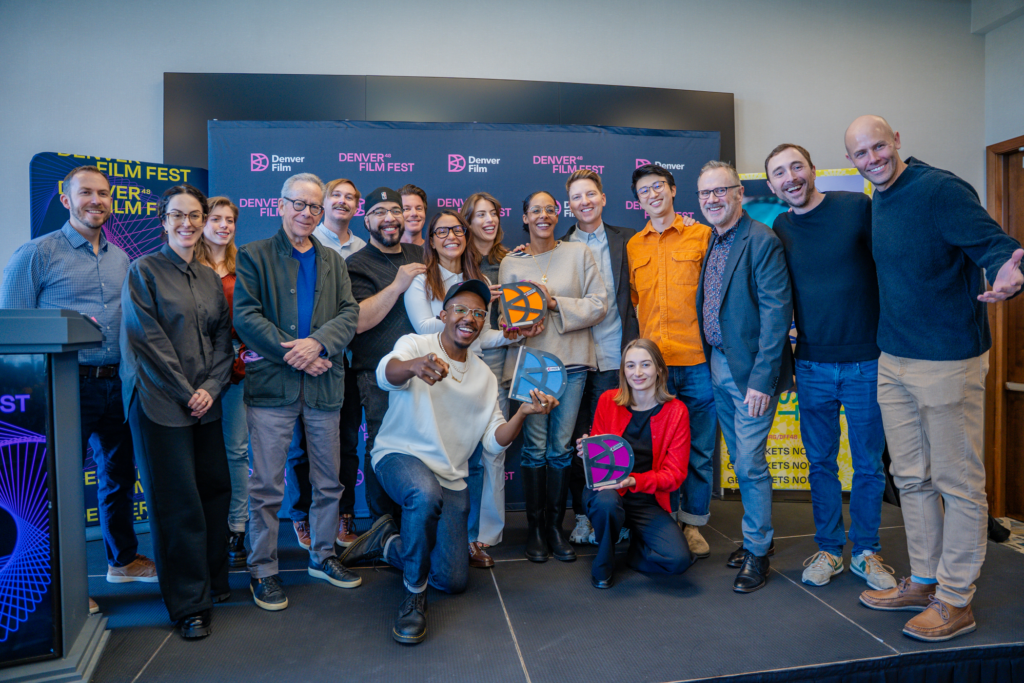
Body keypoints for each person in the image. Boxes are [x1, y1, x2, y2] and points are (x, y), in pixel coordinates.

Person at [845, 115, 1023, 641]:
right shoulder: (879, 199)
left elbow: (995, 245)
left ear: (896, 140)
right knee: (912, 478)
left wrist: (1010, 273)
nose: (873, 158)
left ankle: (955, 600)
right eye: (861, 153)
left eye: (879, 147)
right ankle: (924, 580)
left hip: (948, 361)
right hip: (893, 359)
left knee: (958, 483)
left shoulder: (939, 189)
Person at [339, 280, 559, 644]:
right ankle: (413, 596)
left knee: (453, 581)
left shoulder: (485, 377)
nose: (469, 318)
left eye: (478, 313)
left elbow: (493, 441)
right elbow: (385, 373)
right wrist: (413, 367)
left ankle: (387, 543)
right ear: (443, 314)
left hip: (450, 479)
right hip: (399, 455)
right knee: (423, 495)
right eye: (461, 309)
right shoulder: (417, 345)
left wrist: (523, 413)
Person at [0, 165, 157, 617]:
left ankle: (122, 560)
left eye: (104, 194)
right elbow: (13, 332)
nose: (96, 200)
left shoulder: (120, 257)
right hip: (62, 386)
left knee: (118, 478)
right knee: (57, 488)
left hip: (116, 384)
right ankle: (61, 586)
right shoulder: (35, 254)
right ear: (66, 199)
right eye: (85, 192)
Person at [764, 144, 895, 592]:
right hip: (813, 366)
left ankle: (865, 551)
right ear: (771, 185)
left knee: (868, 465)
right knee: (820, 464)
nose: (790, 177)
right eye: (779, 172)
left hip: (866, 362)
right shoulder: (780, 226)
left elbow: (892, 262)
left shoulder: (857, 206)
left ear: (812, 170)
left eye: (795, 166)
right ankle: (828, 549)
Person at [233, 173, 361, 612]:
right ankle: (263, 570)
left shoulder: (334, 261)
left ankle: (323, 556)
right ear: (280, 206)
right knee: (266, 486)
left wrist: (319, 345)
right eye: (298, 205)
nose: (306, 213)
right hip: (273, 388)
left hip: (325, 386)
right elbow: (246, 317)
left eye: (314, 207)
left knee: (329, 481)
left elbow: (349, 313)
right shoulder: (252, 256)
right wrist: (299, 353)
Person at [120, 184, 233, 639]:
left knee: (213, 492)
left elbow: (224, 341)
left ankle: (213, 584)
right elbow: (147, 341)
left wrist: (210, 388)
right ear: (163, 221)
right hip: (160, 404)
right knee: (177, 505)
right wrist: (189, 390)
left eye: (194, 216)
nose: (187, 224)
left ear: (205, 220)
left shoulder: (208, 277)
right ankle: (188, 606)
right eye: (177, 216)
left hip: (205, 404)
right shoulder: (142, 271)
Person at [404, 210, 524, 568]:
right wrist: (464, 316)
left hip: (474, 374)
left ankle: (474, 538)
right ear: (431, 239)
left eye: (457, 230)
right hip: (435, 378)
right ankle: (437, 534)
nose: (451, 236)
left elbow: (480, 333)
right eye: (442, 231)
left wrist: (510, 335)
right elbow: (426, 324)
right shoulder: (420, 278)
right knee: (443, 457)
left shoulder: (478, 278)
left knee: (482, 459)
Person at [695, 160, 793, 594]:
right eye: (705, 194)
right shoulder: (714, 241)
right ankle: (760, 538)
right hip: (718, 365)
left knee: (750, 463)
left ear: (738, 194)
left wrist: (761, 380)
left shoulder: (761, 240)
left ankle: (757, 550)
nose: (712, 200)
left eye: (720, 191)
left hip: (751, 374)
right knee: (740, 459)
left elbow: (776, 316)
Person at [499, 190, 608, 563]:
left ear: (557, 214)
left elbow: (599, 304)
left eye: (549, 209)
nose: (543, 215)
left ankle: (554, 530)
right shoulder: (511, 262)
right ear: (525, 217)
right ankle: (534, 531)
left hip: (573, 363)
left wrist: (552, 303)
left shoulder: (578, 253)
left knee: (560, 450)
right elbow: (507, 320)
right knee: (534, 449)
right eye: (535, 210)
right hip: (531, 365)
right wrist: (514, 326)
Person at [627, 164, 717, 560]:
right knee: (660, 452)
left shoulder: (703, 236)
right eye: (644, 190)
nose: (652, 194)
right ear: (639, 199)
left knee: (698, 448)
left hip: (697, 361)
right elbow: (635, 300)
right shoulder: (634, 245)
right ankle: (663, 521)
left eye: (658, 186)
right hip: (653, 370)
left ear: (673, 189)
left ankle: (693, 523)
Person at [559, 169, 640, 546]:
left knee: (611, 442)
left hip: (614, 358)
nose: (585, 201)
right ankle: (582, 516)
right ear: (568, 205)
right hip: (575, 359)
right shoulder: (558, 247)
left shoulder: (630, 241)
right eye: (577, 196)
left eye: (590, 194)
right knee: (578, 443)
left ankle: (612, 513)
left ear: (603, 198)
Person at [287, 178, 367, 549]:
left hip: (345, 362)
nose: (343, 202)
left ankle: (342, 517)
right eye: (336, 195)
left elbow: (350, 312)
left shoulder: (364, 249)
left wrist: (327, 350)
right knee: (300, 447)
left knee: (347, 444)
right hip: (300, 364)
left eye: (350, 197)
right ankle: (302, 517)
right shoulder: (304, 240)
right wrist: (311, 352)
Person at [576, 339, 694, 588]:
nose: (637, 373)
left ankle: (633, 550)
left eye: (645, 365)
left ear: (660, 369)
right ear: (623, 371)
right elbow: (598, 463)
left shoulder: (677, 411)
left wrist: (634, 481)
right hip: (606, 491)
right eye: (630, 366)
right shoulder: (609, 400)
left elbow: (674, 475)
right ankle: (604, 561)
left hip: (645, 498)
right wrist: (588, 451)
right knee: (607, 502)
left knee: (678, 560)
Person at [346, 187, 426, 524]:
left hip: (425, 369)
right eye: (380, 211)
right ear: (366, 220)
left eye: (395, 210)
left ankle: (417, 520)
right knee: (382, 447)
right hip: (376, 372)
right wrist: (397, 285)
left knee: (422, 446)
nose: (390, 218)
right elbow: (359, 322)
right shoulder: (355, 264)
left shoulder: (420, 253)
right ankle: (383, 527)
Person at [194, 196, 250, 569]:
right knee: (196, 452)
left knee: (236, 451)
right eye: (216, 219)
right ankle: (199, 529)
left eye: (230, 220)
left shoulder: (243, 266)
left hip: (235, 367)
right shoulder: (185, 265)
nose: (224, 226)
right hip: (192, 365)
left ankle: (237, 528)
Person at [460, 192, 513, 562]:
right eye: (480, 215)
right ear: (468, 222)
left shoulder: (511, 259)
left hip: (502, 362)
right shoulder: (458, 262)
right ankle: (459, 531)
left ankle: (488, 535)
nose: (488, 220)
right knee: (464, 453)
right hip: (467, 362)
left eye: (493, 213)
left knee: (494, 453)